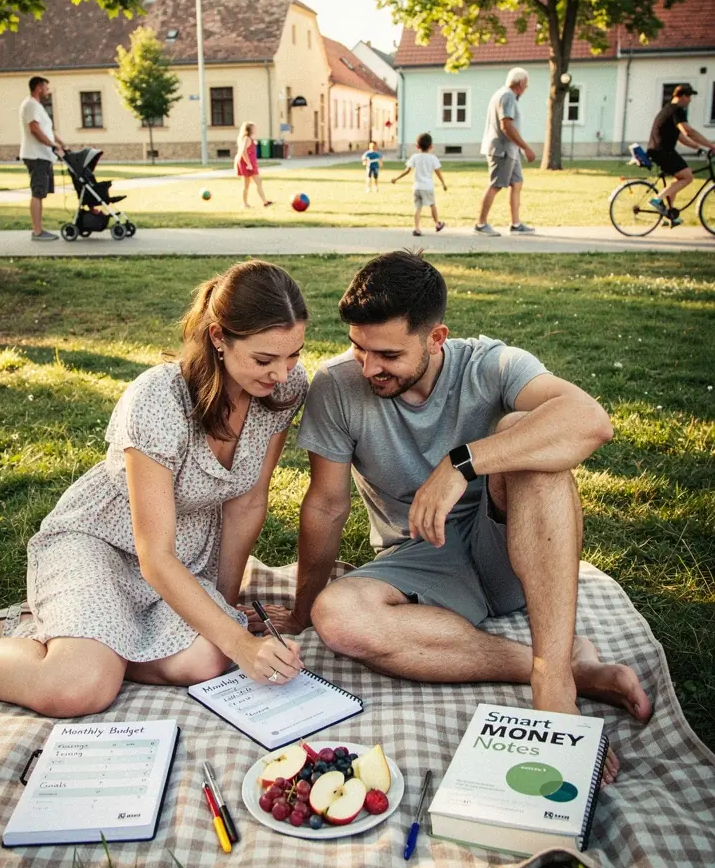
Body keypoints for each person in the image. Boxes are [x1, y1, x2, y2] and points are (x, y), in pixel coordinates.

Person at [268, 252, 651, 784]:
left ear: (436, 337)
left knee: (531, 434)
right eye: (359, 347)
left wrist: (462, 463)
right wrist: (305, 607)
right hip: (420, 561)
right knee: (339, 618)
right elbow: (328, 505)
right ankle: (559, 665)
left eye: (387, 354)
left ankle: (554, 685)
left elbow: (590, 421)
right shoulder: (337, 386)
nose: (369, 367)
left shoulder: (492, 364)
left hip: (510, 546)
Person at [0, 262, 308, 716]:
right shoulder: (158, 399)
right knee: (81, 687)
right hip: (101, 542)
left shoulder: (283, 389)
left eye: (294, 354)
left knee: (208, 658)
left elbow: (247, 502)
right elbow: (153, 554)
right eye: (265, 359)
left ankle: (46, 631)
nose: (282, 373)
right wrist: (238, 640)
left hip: (186, 552)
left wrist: (224, 611)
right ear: (218, 338)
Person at [475, 67, 537, 236]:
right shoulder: (507, 96)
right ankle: (481, 224)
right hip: (502, 149)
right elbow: (506, 125)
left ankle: (516, 224)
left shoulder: (504, 95)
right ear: (521, 83)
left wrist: (519, 148)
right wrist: (526, 147)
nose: (526, 89)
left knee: (517, 183)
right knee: (495, 184)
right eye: (526, 85)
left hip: (511, 150)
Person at [646, 83, 715, 224]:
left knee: (678, 179)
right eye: (689, 96)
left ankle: (670, 216)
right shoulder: (677, 110)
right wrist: (710, 145)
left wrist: (697, 147)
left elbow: (680, 136)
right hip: (663, 151)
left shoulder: (667, 109)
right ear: (682, 96)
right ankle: (657, 199)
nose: (690, 100)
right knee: (688, 176)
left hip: (657, 150)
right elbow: (688, 131)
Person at [20, 76, 64, 241]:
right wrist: (52, 146)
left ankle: (39, 230)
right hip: (36, 155)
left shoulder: (37, 106)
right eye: (46, 87)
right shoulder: (30, 105)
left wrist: (62, 144)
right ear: (38, 87)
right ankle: (37, 232)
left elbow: (48, 130)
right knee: (37, 192)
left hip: (43, 156)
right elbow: (35, 129)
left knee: (41, 192)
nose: (48, 90)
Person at [391, 133, 447, 236]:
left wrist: (396, 178)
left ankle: (416, 228)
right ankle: (437, 223)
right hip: (428, 187)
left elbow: (407, 170)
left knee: (418, 208)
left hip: (417, 187)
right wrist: (443, 183)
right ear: (431, 146)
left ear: (417, 146)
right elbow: (438, 172)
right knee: (432, 205)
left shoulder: (415, 157)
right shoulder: (433, 158)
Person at [235, 121, 272, 209]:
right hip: (247, 165)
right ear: (250, 129)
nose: (255, 129)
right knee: (251, 183)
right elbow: (244, 152)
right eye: (254, 128)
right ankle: (246, 204)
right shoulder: (247, 139)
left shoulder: (249, 139)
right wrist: (248, 164)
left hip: (250, 164)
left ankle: (264, 202)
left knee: (254, 183)